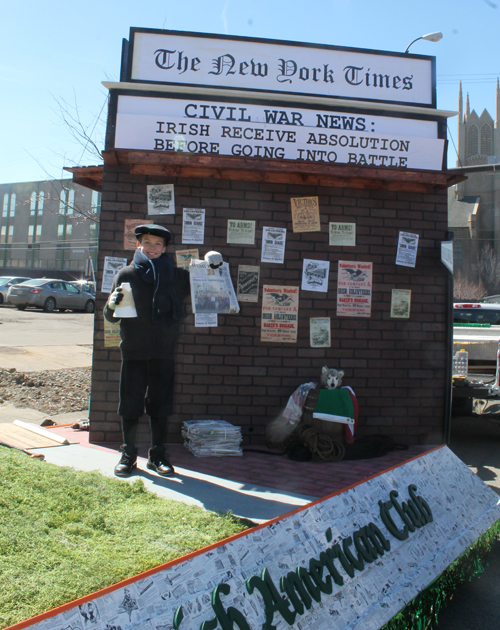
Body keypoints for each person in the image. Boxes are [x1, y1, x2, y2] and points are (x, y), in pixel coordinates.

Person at [104, 224, 222, 477]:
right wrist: (110, 305)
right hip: (134, 350)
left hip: (164, 350)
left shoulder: (177, 276)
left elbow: (208, 283)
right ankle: (128, 454)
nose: (152, 248)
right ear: (139, 245)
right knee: (130, 403)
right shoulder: (127, 274)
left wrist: (213, 264)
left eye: (158, 244)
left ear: (165, 248)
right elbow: (112, 317)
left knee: (160, 404)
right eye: (147, 242)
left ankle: (157, 455)